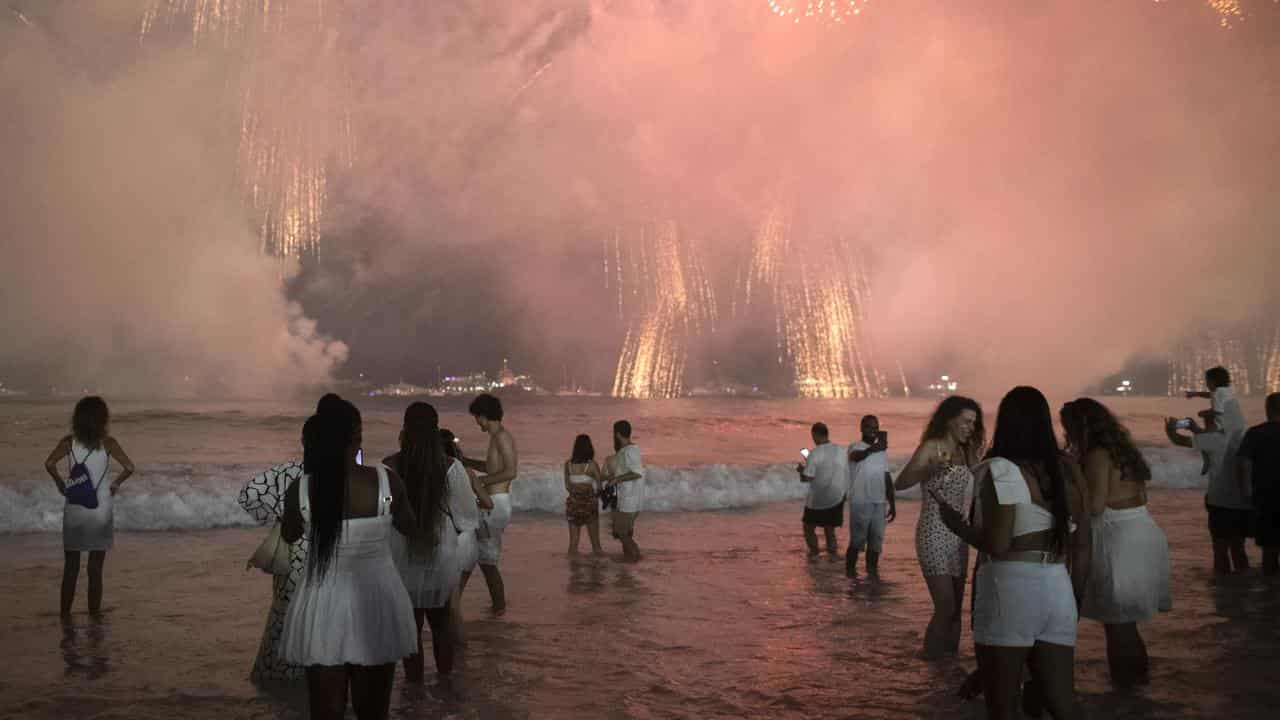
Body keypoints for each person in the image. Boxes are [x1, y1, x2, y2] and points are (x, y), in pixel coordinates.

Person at [935, 387, 1089, 720]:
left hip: (1012, 587)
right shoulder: (1066, 469)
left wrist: (955, 524)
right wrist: (1074, 601)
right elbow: (1083, 542)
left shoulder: (1002, 469)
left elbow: (999, 543)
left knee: (1003, 708)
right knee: (1062, 704)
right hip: (1058, 587)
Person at [279, 401, 419, 720]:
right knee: (374, 712)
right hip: (377, 600)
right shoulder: (387, 481)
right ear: (356, 436)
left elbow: (289, 535)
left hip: (321, 601)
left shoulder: (301, 489)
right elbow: (411, 528)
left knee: (326, 711)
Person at [1061, 398, 1170, 688]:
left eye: (1068, 427)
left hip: (1118, 540)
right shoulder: (1121, 450)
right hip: (1141, 530)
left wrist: (1071, 475)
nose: (1066, 434)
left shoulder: (1097, 454)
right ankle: (1137, 686)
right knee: (1125, 623)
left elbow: (1095, 506)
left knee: (1117, 623)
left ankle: (1125, 690)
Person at [237, 392, 345, 684]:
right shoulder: (351, 475)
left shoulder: (289, 472)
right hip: (335, 560)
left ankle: (281, 681)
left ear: (305, 440)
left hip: (295, 559)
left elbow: (248, 495)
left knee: (285, 620)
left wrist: (277, 516)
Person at [894, 395, 985, 659]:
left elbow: (981, 482)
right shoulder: (931, 447)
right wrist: (929, 469)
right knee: (944, 605)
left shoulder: (967, 451)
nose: (970, 428)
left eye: (973, 423)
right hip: (933, 530)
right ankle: (930, 662)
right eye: (966, 422)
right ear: (949, 420)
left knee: (957, 608)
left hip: (959, 533)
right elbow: (901, 483)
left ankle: (949, 667)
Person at [382, 403, 462, 683]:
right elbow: (466, 517)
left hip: (401, 555)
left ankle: (415, 693)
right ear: (436, 430)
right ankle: (445, 688)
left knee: (410, 628)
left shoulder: (388, 466)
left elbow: (384, 515)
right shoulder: (452, 467)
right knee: (441, 625)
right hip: (441, 553)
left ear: (404, 429)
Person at [43, 396, 135, 618]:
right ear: (103, 418)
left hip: (75, 506)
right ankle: (94, 617)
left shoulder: (68, 442)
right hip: (100, 509)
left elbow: (49, 463)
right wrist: (115, 484)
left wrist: (59, 483)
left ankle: (65, 615)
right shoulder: (109, 444)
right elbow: (130, 467)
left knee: (71, 567)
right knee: (95, 569)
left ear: (78, 418)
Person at [1165, 409, 1251, 574]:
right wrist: (1196, 430)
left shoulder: (1211, 439)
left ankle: (1223, 591)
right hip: (1241, 502)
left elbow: (1178, 440)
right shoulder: (1240, 438)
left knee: (1220, 551)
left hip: (1219, 502)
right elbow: (1212, 438)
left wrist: (1170, 429)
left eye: (1208, 421)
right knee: (1238, 548)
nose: (1206, 424)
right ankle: (1243, 589)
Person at [460, 393, 518, 615]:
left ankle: (497, 608)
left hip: (495, 504)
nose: (476, 423)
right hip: (492, 503)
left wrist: (478, 481)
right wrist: (467, 462)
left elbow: (511, 472)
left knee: (485, 559)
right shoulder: (496, 438)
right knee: (482, 558)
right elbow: (493, 468)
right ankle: (497, 609)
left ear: (484, 416)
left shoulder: (502, 437)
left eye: (477, 418)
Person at [440, 428, 493, 636]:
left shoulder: (441, 474)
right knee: (455, 601)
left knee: (452, 605)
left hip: (456, 541)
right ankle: (455, 649)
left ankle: (461, 651)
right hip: (471, 542)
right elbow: (488, 503)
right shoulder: (467, 472)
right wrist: (472, 502)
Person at [846, 415, 895, 576]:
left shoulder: (881, 452)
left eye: (875, 428)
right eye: (869, 427)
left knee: (876, 543)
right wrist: (875, 448)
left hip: (879, 502)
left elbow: (886, 477)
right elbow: (856, 457)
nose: (873, 431)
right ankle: (850, 574)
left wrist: (892, 503)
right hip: (860, 501)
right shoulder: (855, 446)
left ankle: (872, 574)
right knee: (857, 542)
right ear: (861, 428)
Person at [1238, 392, 1280, 576]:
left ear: (1268, 410)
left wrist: (1246, 492)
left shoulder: (1255, 433)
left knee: (1269, 552)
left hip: (1265, 499)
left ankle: (1270, 596)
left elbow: (1243, 463)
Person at [797, 422, 847, 561]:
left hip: (819, 499)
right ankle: (833, 556)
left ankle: (814, 554)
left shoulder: (814, 453)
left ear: (815, 435)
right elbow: (844, 472)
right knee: (829, 530)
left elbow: (807, 478)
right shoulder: (840, 450)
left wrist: (801, 470)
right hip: (837, 496)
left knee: (808, 528)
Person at [603, 420, 645, 562]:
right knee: (626, 533)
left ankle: (637, 558)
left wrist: (617, 480)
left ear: (618, 434)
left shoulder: (630, 451)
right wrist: (611, 477)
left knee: (621, 533)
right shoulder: (627, 451)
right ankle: (629, 561)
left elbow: (637, 473)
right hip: (630, 498)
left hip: (629, 500)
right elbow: (627, 471)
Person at [564, 434, 605, 556]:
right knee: (596, 545)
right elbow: (599, 487)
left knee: (573, 545)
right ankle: (598, 571)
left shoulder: (568, 465)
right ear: (589, 448)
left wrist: (577, 488)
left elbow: (567, 486)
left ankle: (573, 572)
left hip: (573, 504)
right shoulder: (592, 465)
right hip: (589, 503)